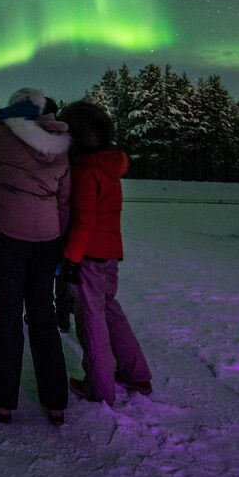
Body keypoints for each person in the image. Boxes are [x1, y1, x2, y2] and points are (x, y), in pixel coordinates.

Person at [0, 88, 71, 425]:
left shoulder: (6, 138)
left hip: (8, 235)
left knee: (8, 314)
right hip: (47, 236)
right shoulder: (63, 146)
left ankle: (4, 399)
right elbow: (65, 200)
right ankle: (55, 400)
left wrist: (6, 113)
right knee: (43, 314)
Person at [59, 101, 152, 404]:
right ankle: (135, 373)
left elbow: (84, 221)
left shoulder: (87, 171)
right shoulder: (109, 166)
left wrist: (71, 259)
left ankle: (99, 388)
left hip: (87, 256)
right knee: (111, 312)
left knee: (92, 321)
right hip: (110, 253)